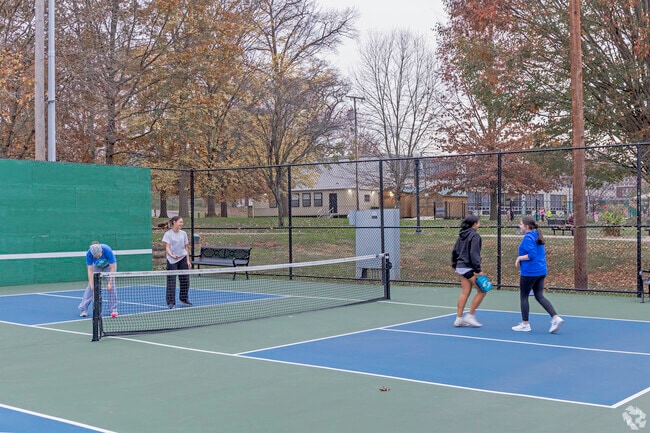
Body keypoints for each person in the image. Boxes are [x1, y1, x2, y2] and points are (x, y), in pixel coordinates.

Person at [512, 216, 564, 333]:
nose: (519, 226)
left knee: (524, 297)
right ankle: (555, 318)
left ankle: (525, 324)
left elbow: (532, 255)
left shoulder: (528, 238)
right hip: (541, 271)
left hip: (530, 272)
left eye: (521, 224)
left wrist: (519, 258)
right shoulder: (537, 235)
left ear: (526, 226)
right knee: (539, 296)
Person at [451, 215, 488, 327]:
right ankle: (470, 316)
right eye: (478, 222)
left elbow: (455, 251)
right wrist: (478, 270)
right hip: (469, 267)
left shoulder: (462, 235)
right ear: (475, 224)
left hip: (461, 266)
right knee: (483, 290)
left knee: (465, 292)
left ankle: (459, 319)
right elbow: (474, 254)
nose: (479, 223)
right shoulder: (475, 236)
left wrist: (456, 265)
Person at [78, 241, 118, 317]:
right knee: (90, 287)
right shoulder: (89, 254)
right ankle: (84, 309)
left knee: (111, 286)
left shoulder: (107, 250)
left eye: (98, 255)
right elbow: (90, 270)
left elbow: (112, 268)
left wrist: (109, 282)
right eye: (95, 256)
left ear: (101, 251)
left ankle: (113, 310)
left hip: (109, 266)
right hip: (96, 266)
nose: (97, 257)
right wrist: (91, 284)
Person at [163, 216, 192, 308]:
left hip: (182, 258)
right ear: (174, 222)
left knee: (185, 280)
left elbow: (186, 247)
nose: (181, 224)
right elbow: (167, 247)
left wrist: (188, 260)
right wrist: (171, 255)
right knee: (171, 281)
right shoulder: (168, 234)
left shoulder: (183, 234)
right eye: (180, 222)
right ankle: (171, 302)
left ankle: (184, 298)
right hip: (172, 260)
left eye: (182, 222)